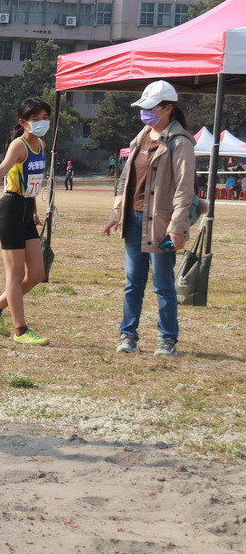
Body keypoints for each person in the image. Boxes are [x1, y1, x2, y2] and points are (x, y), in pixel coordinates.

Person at [104, 80, 195, 357]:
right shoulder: (140, 137)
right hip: (132, 218)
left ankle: (168, 339)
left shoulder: (180, 142)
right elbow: (124, 180)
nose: (144, 112)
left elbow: (184, 189)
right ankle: (128, 335)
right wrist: (116, 212)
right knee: (133, 282)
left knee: (163, 285)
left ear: (167, 108)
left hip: (160, 221)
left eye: (150, 107)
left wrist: (177, 228)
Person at [0, 97, 52, 346]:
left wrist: (34, 210)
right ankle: (21, 330)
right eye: (36, 119)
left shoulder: (41, 145)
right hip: (10, 210)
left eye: (45, 118)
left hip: (26, 209)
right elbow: (1, 170)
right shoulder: (19, 145)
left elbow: (32, 182)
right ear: (23, 122)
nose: (41, 123)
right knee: (15, 274)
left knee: (37, 273)